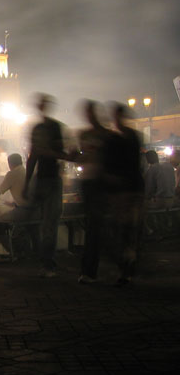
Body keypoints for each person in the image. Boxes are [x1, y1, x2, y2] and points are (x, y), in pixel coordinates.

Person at [23, 94, 68, 278]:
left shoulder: (44, 128)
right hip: (46, 179)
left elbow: (34, 156)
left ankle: (47, 262)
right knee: (47, 223)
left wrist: (27, 183)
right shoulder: (48, 127)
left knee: (45, 224)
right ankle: (46, 260)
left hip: (46, 179)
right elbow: (35, 156)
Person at [72, 100, 113, 284]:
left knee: (97, 226)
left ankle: (91, 268)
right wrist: (76, 156)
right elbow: (80, 157)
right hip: (89, 183)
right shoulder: (85, 134)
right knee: (94, 226)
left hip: (101, 182)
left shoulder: (106, 135)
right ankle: (89, 269)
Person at [104, 103, 144, 285]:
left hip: (125, 191)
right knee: (127, 229)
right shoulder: (132, 136)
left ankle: (126, 267)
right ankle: (128, 264)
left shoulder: (120, 138)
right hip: (131, 189)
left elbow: (113, 166)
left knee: (123, 229)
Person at [0, 153, 39, 257]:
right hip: (36, 210)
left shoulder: (12, 174)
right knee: (33, 231)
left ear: (10, 163)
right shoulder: (28, 172)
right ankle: (33, 254)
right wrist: (14, 202)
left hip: (23, 211)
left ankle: (14, 251)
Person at [143, 149, 176, 239]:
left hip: (161, 201)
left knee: (140, 208)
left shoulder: (152, 169)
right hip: (172, 200)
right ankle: (163, 226)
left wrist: (146, 197)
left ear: (148, 159)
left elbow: (148, 190)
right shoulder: (169, 166)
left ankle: (149, 230)